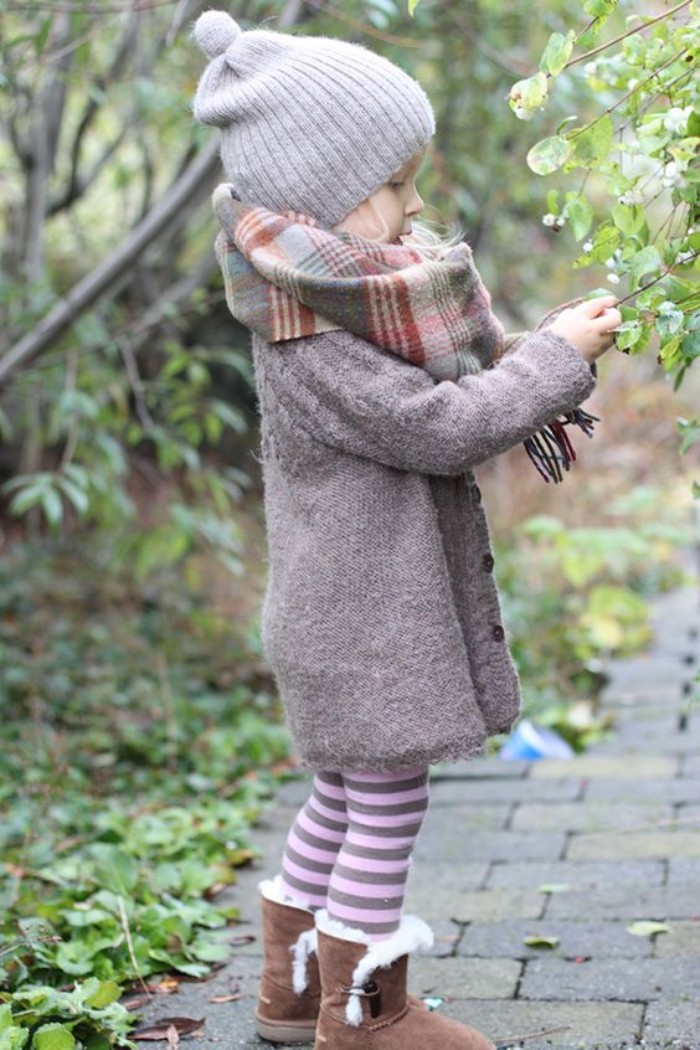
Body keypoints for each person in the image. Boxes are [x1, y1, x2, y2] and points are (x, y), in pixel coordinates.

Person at [192, 11, 621, 1049]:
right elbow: (441, 425)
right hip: (364, 623)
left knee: (344, 801)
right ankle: (368, 1017)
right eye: (395, 183)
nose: (417, 203)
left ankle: (292, 995)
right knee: (386, 806)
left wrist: (543, 348)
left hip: (347, 614)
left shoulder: (321, 302)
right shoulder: (308, 337)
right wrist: (549, 363)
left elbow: (451, 382)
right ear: (318, 197)